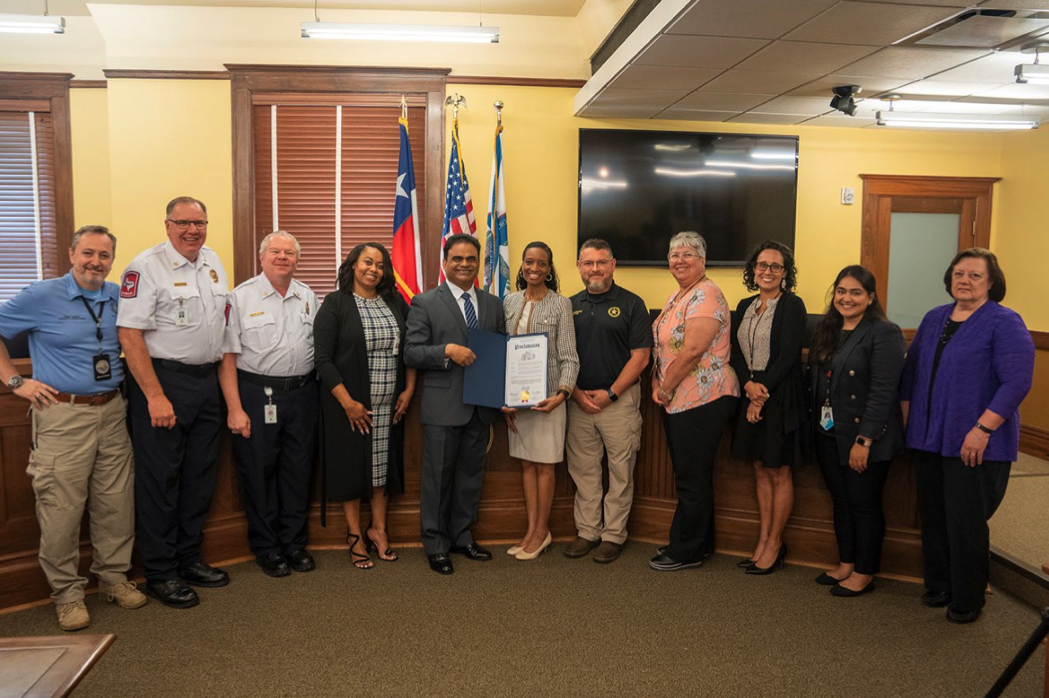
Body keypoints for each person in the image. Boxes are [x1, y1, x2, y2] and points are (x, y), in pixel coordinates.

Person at [0, 226, 147, 631]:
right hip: (62, 416)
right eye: (87, 253)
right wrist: (16, 382)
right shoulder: (41, 295)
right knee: (61, 510)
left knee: (115, 503)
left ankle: (114, 579)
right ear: (70, 254)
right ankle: (66, 594)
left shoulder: (118, 295)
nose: (95, 262)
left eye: (103, 255)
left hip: (113, 410)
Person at [900, 248, 1034, 624]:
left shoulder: (1005, 322)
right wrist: (908, 428)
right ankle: (940, 583)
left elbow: (1017, 382)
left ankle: (969, 596)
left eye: (975, 275)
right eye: (959, 273)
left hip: (976, 442)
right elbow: (911, 376)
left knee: (966, 520)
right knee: (935, 515)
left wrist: (982, 428)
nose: (965, 280)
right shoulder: (934, 318)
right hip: (928, 438)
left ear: (991, 282)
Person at [117, 196, 230, 608]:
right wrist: (154, 395)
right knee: (160, 481)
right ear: (167, 225)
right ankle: (160, 572)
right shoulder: (145, 267)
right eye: (182, 222)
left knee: (199, 479)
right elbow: (130, 335)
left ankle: (188, 559)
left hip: (207, 383)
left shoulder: (213, 261)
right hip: (164, 383)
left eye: (199, 222)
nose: (191, 230)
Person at [219, 231, 318, 578]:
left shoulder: (308, 296)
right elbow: (227, 357)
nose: (282, 257)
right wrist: (234, 408)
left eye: (289, 252)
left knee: (297, 471)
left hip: (303, 395)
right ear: (261, 258)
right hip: (256, 395)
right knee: (259, 473)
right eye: (275, 251)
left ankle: (293, 544)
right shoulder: (241, 297)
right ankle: (267, 548)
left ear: (297, 260)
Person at [405, 233, 505, 575]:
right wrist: (447, 351)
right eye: (457, 259)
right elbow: (412, 352)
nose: (464, 264)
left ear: (479, 263)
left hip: (481, 404)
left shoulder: (493, 304)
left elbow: (499, 352)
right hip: (443, 406)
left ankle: (462, 537)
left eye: (471, 259)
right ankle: (435, 544)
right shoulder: (425, 302)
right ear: (445, 262)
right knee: (437, 479)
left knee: (469, 477)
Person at [314, 242, 415, 570]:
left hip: (390, 406)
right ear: (353, 265)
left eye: (380, 264)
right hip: (351, 406)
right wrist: (348, 404)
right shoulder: (336, 303)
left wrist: (409, 389)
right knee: (351, 470)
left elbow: (410, 348)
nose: (374, 269)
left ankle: (379, 529)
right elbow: (323, 360)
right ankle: (355, 534)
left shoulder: (394, 301)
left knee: (381, 470)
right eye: (367, 262)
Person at [808, 265, 905, 597]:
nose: (846, 298)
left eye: (855, 292)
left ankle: (865, 571)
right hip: (829, 433)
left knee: (864, 505)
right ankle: (846, 563)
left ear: (870, 297)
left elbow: (883, 391)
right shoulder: (829, 328)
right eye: (841, 291)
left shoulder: (884, 332)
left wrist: (865, 440)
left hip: (864, 438)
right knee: (841, 500)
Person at [648, 232, 739, 571]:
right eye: (674, 254)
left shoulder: (708, 294)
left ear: (703, 260)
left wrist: (665, 386)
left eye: (688, 254)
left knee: (691, 478)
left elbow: (693, 350)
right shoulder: (681, 294)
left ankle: (685, 550)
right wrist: (661, 382)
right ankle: (699, 544)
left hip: (702, 397)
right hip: (682, 398)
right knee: (694, 476)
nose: (680, 260)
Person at [564, 239, 651, 564]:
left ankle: (613, 535)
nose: (595, 269)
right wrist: (575, 393)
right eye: (588, 263)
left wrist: (612, 393)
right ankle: (587, 531)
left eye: (601, 262)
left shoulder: (632, 304)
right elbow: (562, 356)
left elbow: (641, 357)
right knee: (584, 472)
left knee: (620, 472)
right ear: (579, 267)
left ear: (613, 264)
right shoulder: (567, 304)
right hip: (578, 401)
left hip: (619, 402)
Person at [729, 240, 807, 576]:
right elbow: (733, 350)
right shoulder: (745, 305)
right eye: (762, 265)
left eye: (776, 266)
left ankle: (775, 542)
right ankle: (762, 539)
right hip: (749, 389)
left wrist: (761, 394)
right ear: (753, 270)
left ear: (785, 273)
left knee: (779, 469)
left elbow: (789, 355)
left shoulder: (792, 305)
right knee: (759, 467)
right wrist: (748, 386)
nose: (768, 271)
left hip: (780, 395)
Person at [502, 242, 579, 561]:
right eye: (529, 262)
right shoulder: (509, 301)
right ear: (521, 266)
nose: (535, 268)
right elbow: (502, 352)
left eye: (542, 263)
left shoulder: (561, 304)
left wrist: (561, 395)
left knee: (545, 466)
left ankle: (541, 532)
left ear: (550, 269)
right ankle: (532, 529)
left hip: (548, 400)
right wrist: (502, 399)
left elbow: (570, 358)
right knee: (526, 464)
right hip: (515, 401)